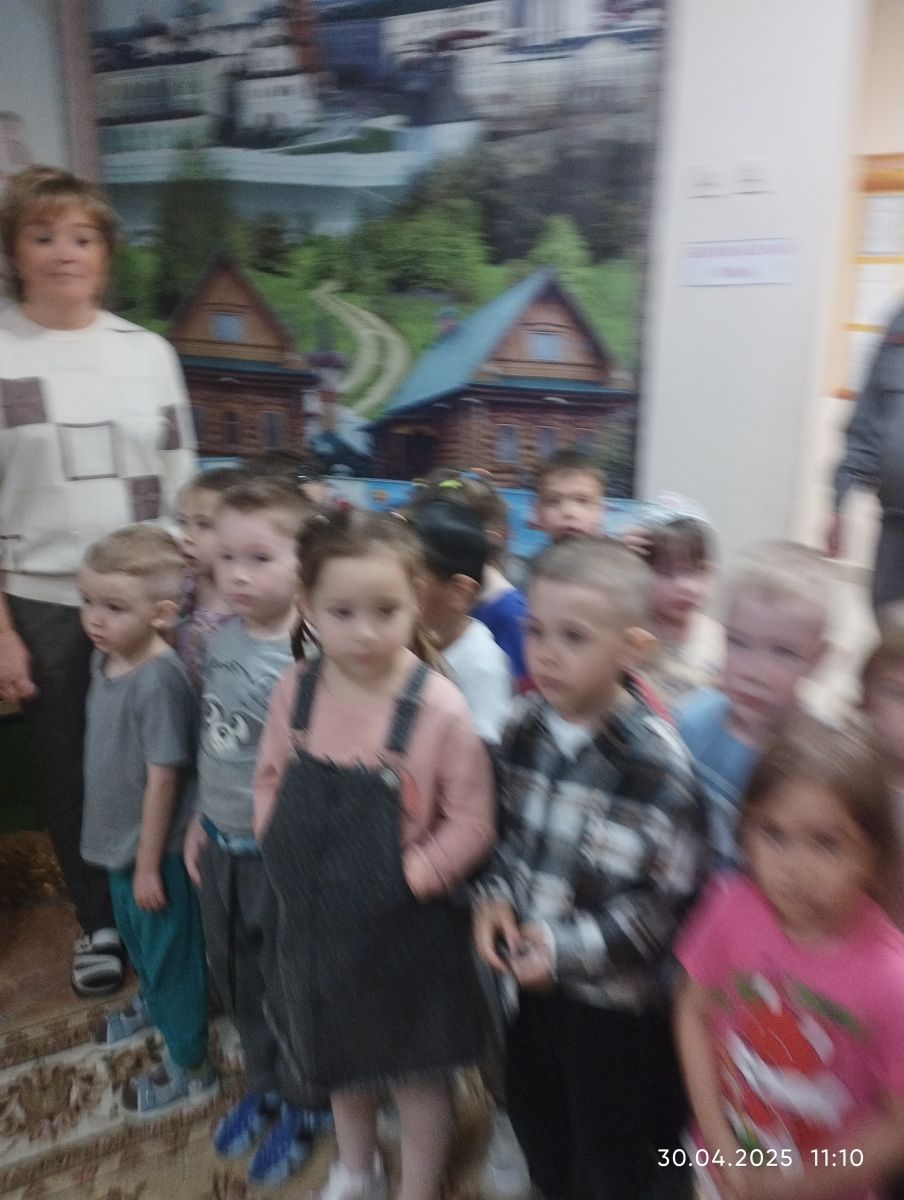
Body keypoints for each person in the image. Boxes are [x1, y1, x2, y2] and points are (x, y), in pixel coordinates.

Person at [254, 508, 496, 1200]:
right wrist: (278, 845)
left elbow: (472, 822)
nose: (364, 632)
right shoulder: (295, 690)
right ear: (308, 606)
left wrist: (410, 877)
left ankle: (418, 1187)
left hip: (405, 930)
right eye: (343, 612)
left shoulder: (439, 707)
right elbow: (268, 778)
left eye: (385, 611)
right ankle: (356, 1169)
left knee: (416, 1075)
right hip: (315, 924)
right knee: (338, 1057)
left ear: (416, 600)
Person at [0, 166, 195, 997]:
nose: (64, 252)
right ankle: (101, 923)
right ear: (15, 251)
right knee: (74, 771)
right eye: (43, 235)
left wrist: (184, 600)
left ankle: (175, 905)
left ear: (106, 252)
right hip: (45, 603)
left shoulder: (148, 354)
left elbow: (182, 482)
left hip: (153, 603)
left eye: (82, 237)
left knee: (163, 759)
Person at [474, 536, 706, 1200]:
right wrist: (492, 897)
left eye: (574, 637)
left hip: (614, 1013)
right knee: (540, 1124)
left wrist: (560, 949)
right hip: (530, 992)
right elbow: (503, 837)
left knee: (618, 1156)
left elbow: (660, 909)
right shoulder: (522, 726)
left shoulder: (655, 763)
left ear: (633, 649)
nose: (546, 652)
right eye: (536, 631)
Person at [674, 718, 904, 1200]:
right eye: (774, 834)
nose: (794, 868)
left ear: (875, 855)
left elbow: (895, 1124)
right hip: (722, 1166)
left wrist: (795, 1186)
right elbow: (693, 1012)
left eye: (825, 843)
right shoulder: (730, 905)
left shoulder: (890, 979)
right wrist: (720, 1145)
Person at [181, 478, 327, 1187]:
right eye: (228, 557)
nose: (237, 575)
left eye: (260, 559)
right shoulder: (222, 639)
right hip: (221, 842)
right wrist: (198, 820)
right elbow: (213, 741)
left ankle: (306, 1100)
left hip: (280, 857)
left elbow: (325, 768)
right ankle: (263, 1084)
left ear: (305, 563)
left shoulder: (312, 656)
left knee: (289, 984)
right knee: (236, 974)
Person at [78, 525, 216, 1114]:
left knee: (170, 956)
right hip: (119, 843)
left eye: (114, 607)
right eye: (87, 600)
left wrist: (150, 866)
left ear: (161, 614)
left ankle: (192, 1066)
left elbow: (165, 778)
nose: (94, 618)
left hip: (154, 852)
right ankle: (155, 1005)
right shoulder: (104, 658)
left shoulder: (159, 680)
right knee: (139, 941)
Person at [677, 541, 830, 873]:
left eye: (783, 652)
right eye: (738, 642)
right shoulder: (689, 721)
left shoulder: (822, 755)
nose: (753, 672)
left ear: (818, 658)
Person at [410, 497, 512, 744]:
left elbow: (481, 754)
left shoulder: (482, 666)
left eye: (412, 584)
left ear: (460, 592)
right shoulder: (407, 644)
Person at [828, 299, 904, 609]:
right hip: (896, 522)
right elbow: (869, 419)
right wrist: (840, 502)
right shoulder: (899, 320)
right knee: (887, 619)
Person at [641, 506, 722, 709]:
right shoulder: (631, 636)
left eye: (697, 570)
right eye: (665, 572)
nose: (685, 586)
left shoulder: (719, 640)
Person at [176, 465, 249, 688]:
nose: (187, 536)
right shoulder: (185, 583)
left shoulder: (244, 596)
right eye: (183, 522)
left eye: (204, 525)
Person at [532, 448, 605, 543]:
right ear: (538, 511)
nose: (569, 512)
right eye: (553, 501)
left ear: (601, 510)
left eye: (583, 500)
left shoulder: (618, 552)